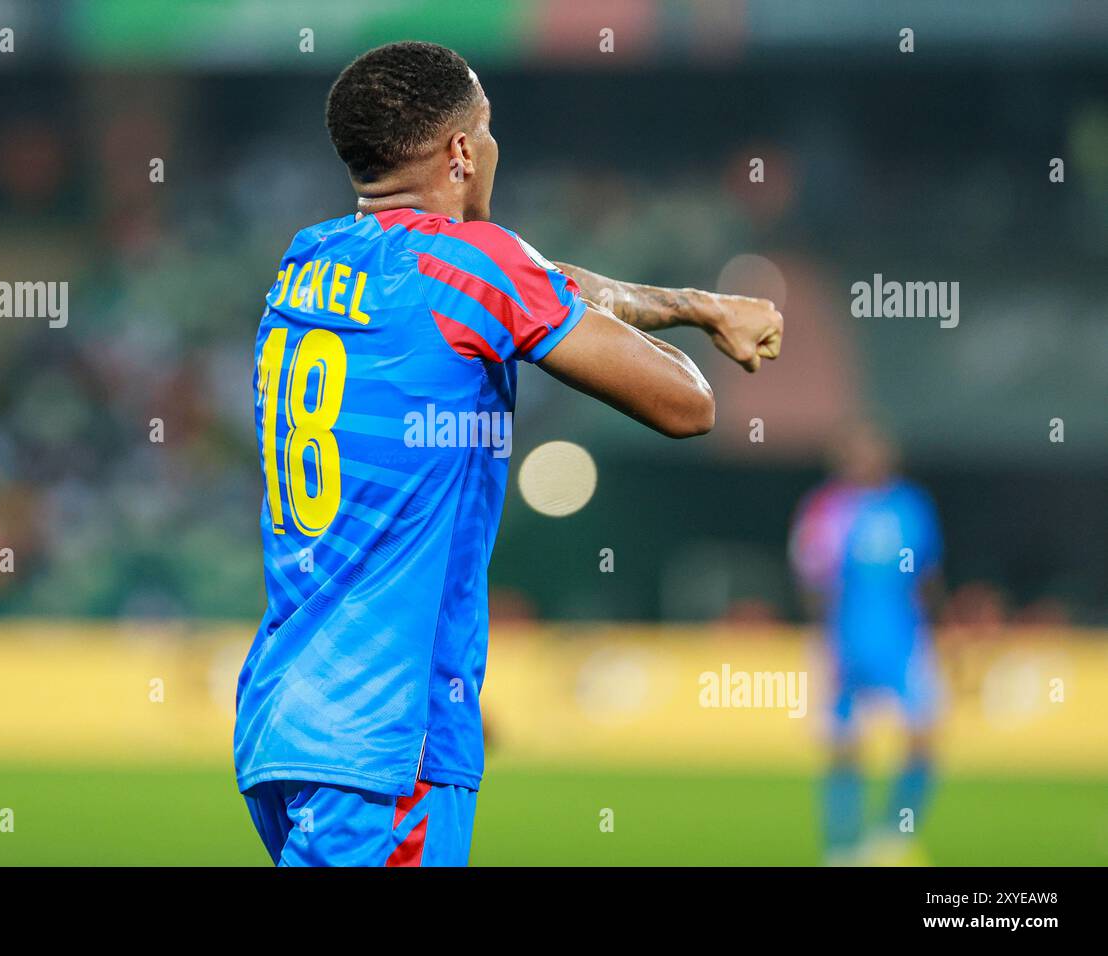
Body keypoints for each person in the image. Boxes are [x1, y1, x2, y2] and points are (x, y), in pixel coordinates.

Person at [235, 40, 783, 866]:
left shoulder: (307, 260)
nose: (493, 148)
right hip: (391, 739)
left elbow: (532, 278)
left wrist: (693, 304)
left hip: (284, 721)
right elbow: (687, 406)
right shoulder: (480, 269)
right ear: (460, 151)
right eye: (485, 130)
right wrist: (703, 336)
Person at [789, 422, 945, 865]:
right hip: (845, 635)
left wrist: (939, 628)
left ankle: (895, 836)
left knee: (923, 739)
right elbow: (811, 578)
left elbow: (928, 574)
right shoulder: (827, 508)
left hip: (903, 635)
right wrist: (828, 640)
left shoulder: (910, 504)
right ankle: (842, 847)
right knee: (843, 746)